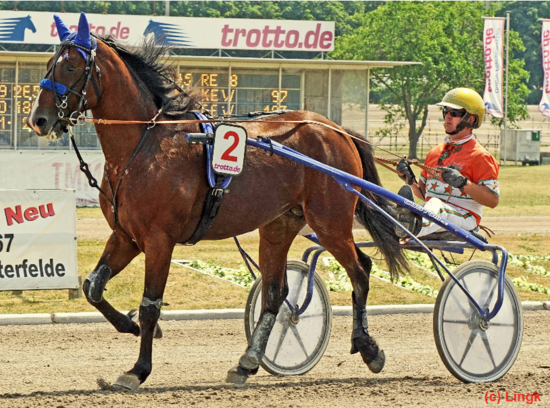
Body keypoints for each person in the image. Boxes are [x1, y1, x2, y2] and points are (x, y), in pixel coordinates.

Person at [395, 88, 500, 239]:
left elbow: (493, 201)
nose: (448, 117)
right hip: (435, 214)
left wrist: (463, 183)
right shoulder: (434, 153)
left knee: (437, 206)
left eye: (455, 113)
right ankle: (407, 222)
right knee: (402, 206)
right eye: (446, 111)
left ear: (470, 119)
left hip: (465, 218)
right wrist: (409, 180)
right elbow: (425, 195)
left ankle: (412, 226)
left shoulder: (481, 157)